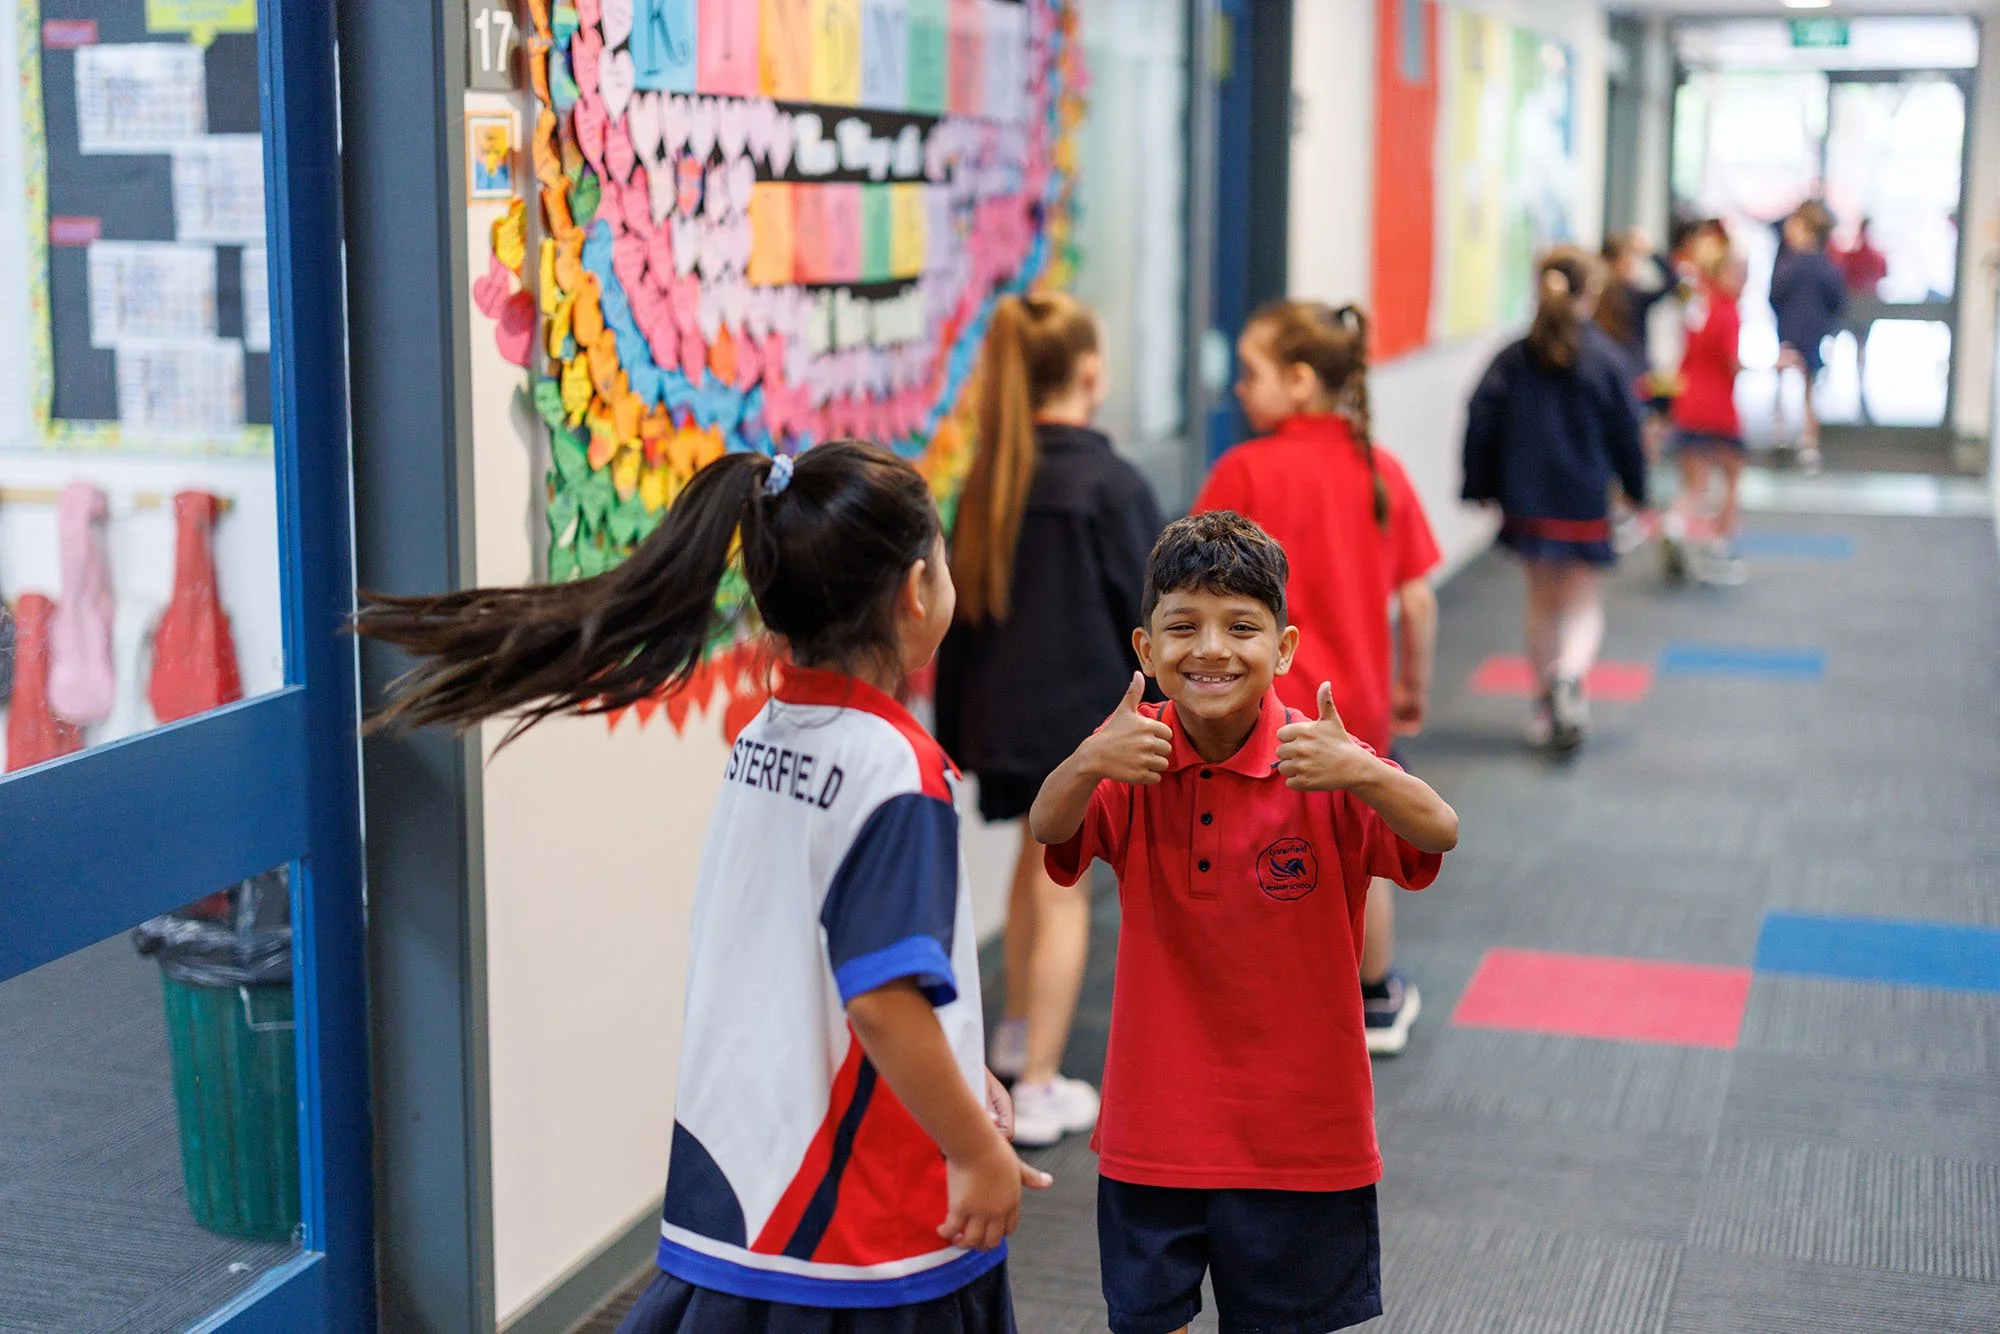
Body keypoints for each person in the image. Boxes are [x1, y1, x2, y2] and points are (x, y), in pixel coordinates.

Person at [355, 442, 1049, 1334]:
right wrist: (974, 1151)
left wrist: (960, 1081)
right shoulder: (896, 767)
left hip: (742, 1188)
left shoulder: (769, 733)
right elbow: (880, 1002)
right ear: (917, 592)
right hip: (857, 1225)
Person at [1031, 512, 1459, 1334]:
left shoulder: (1322, 760)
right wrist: (1087, 760)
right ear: (1145, 650)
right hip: (1155, 1127)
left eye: (1241, 628)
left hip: (1301, 1135)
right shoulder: (1133, 750)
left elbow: (1438, 830)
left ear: (1286, 648)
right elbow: (1052, 830)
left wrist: (1364, 771)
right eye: (1182, 626)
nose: (1212, 649)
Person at [935, 292, 1163, 1148]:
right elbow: (1156, 616)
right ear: (1092, 375)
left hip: (1004, 721)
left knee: (1034, 869)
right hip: (1079, 724)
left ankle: (1018, 1036)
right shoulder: (1111, 485)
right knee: (1062, 885)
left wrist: (957, 732)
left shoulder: (991, 481)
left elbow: (958, 627)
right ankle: (1035, 1087)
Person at [1190, 301, 1442, 1057]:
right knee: (1363, 842)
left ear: (1300, 381)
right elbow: (1419, 597)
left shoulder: (1244, 469)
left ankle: (1255, 992)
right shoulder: (1379, 469)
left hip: (1265, 707)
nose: (1239, 390)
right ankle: (1373, 995)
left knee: (1250, 846)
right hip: (1356, 702)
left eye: (1251, 374)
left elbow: (1193, 584)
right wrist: (1413, 687)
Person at [1463, 246, 1648, 752]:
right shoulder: (1608, 358)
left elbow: (1480, 418)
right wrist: (1637, 489)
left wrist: (1477, 484)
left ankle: (1546, 708)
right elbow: (1627, 432)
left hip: (1528, 502)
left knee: (1542, 604)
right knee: (1583, 603)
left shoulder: (1514, 357)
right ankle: (1570, 677)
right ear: (1591, 294)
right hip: (1585, 501)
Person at [1666, 225, 1751, 588]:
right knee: (1731, 476)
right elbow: (1731, 361)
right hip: (1717, 405)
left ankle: (1674, 523)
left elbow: (1686, 356)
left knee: (1696, 482)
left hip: (1688, 401)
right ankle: (1720, 545)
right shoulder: (1728, 311)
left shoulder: (1698, 306)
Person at [1770, 201, 1847, 472]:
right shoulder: (1825, 266)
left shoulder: (1789, 265)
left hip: (1791, 330)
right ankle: (1807, 443)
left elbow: (1775, 295)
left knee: (1790, 382)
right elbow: (1837, 299)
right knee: (1808, 389)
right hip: (1811, 331)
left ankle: (1784, 433)